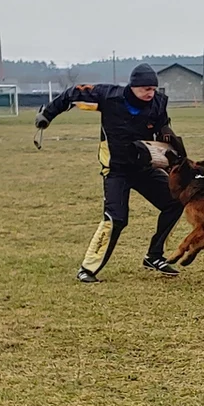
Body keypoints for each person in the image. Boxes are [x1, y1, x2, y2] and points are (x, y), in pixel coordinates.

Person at [35, 63, 187, 283]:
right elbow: (72, 94)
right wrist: (47, 115)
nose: (150, 93)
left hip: (144, 168)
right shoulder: (108, 96)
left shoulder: (158, 104)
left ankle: (154, 256)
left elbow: (164, 132)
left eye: (153, 89)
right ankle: (87, 269)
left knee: (175, 201)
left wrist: (179, 158)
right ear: (133, 86)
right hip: (116, 171)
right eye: (145, 89)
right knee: (116, 219)